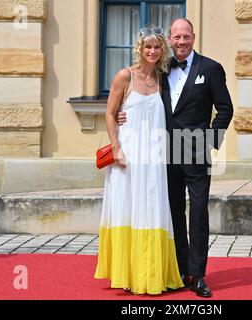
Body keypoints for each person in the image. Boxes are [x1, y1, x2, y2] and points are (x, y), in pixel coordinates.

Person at [118, 18, 234, 298]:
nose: (181, 42)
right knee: (172, 213)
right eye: (176, 37)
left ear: (193, 37)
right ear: (169, 39)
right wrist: (124, 115)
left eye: (186, 37)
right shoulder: (161, 69)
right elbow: (142, 98)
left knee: (197, 213)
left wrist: (209, 140)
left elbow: (225, 109)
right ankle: (181, 270)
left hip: (195, 151)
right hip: (163, 151)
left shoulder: (211, 68)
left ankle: (199, 274)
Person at [94, 26, 184, 295]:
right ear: (140, 49)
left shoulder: (163, 79)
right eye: (148, 47)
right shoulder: (125, 76)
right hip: (128, 156)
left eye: (157, 47)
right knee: (128, 208)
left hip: (156, 158)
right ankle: (129, 274)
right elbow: (110, 114)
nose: (153, 51)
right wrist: (116, 147)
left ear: (163, 50)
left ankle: (153, 274)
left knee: (154, 210)